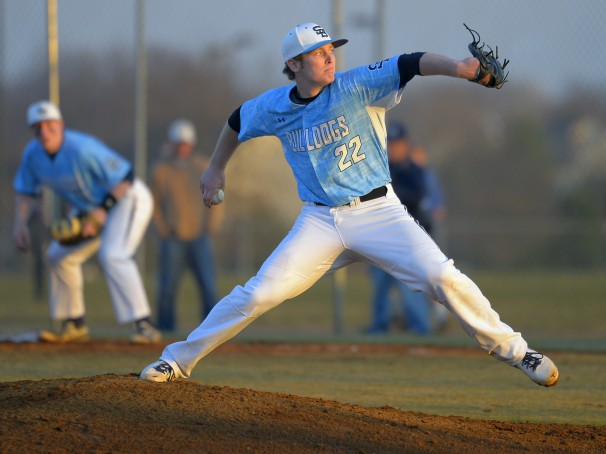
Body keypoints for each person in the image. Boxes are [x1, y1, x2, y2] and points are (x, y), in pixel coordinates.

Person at [140, 22, 559, 387]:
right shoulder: (273, 106)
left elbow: (410, 62)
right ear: (294, 66)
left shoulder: (355, 84)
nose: (329, 58)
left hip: (380, 213)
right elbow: (236, 121)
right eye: (318, 53)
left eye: (330, 50)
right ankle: (177, 360)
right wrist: (215, 169)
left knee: (442, 277)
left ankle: (519, 352)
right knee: (257, 294)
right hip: (320, 221)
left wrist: (459, 68)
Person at [13, 100, 161, 343]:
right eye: (38, 127)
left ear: (60, 125)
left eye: (50, 124)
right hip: (92, 208)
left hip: (128, 198)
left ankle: (144, 324)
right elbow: (26, 191)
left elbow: (126, 176)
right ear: (33, 131)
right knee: (58, 256)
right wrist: (20, 224)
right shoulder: (33, 155)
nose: (44, 131)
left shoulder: (82, 148)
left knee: (113, 254)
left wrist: (102, 212)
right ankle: (74, 323)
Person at [151, 119, 223, 332]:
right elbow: (153, 203)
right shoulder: (161, 171)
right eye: (178, 143)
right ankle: (165, 328)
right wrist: (162, 228)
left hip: (200, 236)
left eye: (185, 143)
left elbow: (217, 198)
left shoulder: (203, 167)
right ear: (172, 144)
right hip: (173, 237)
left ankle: (211, 330)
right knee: (167, 287)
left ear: (191, 144)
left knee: (208, 286)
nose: (182, 147)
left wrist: (212, 226)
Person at [365, 122, 434, 335]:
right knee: (380, 285)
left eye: (397, 144)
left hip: (407, 238)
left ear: (406, 145)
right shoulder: (381, 167)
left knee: (409, 286)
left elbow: (417, 195)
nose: (393, 148)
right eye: (390, 144)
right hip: (380, 236)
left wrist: (390, 190)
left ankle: (420, 329)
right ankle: (380, 326)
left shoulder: (413, 169)